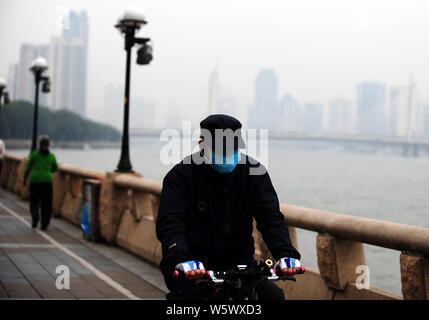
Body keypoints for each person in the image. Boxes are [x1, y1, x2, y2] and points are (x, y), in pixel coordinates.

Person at [156, 114, 302, 300]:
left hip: (241, 269)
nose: (227, 154)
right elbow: (170, 222)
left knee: (273, 296)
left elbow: (270, 217)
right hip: (195, 269)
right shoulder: (181, 176)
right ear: (202, 145)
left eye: (232, 148)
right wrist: (181, 258)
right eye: (220, 149)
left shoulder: (254, 172)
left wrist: (286, 254)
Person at [23, 136, 59, 230]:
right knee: (46, 204)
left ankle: (35, 219)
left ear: (39, 145)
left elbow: (27, 168)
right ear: (48, 145)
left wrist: (24, 179)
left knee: (34, 202)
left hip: (35, 181)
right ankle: (44, 224)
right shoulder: (51, 156)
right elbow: (55, 168)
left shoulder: (34, 154)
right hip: (47, 181)